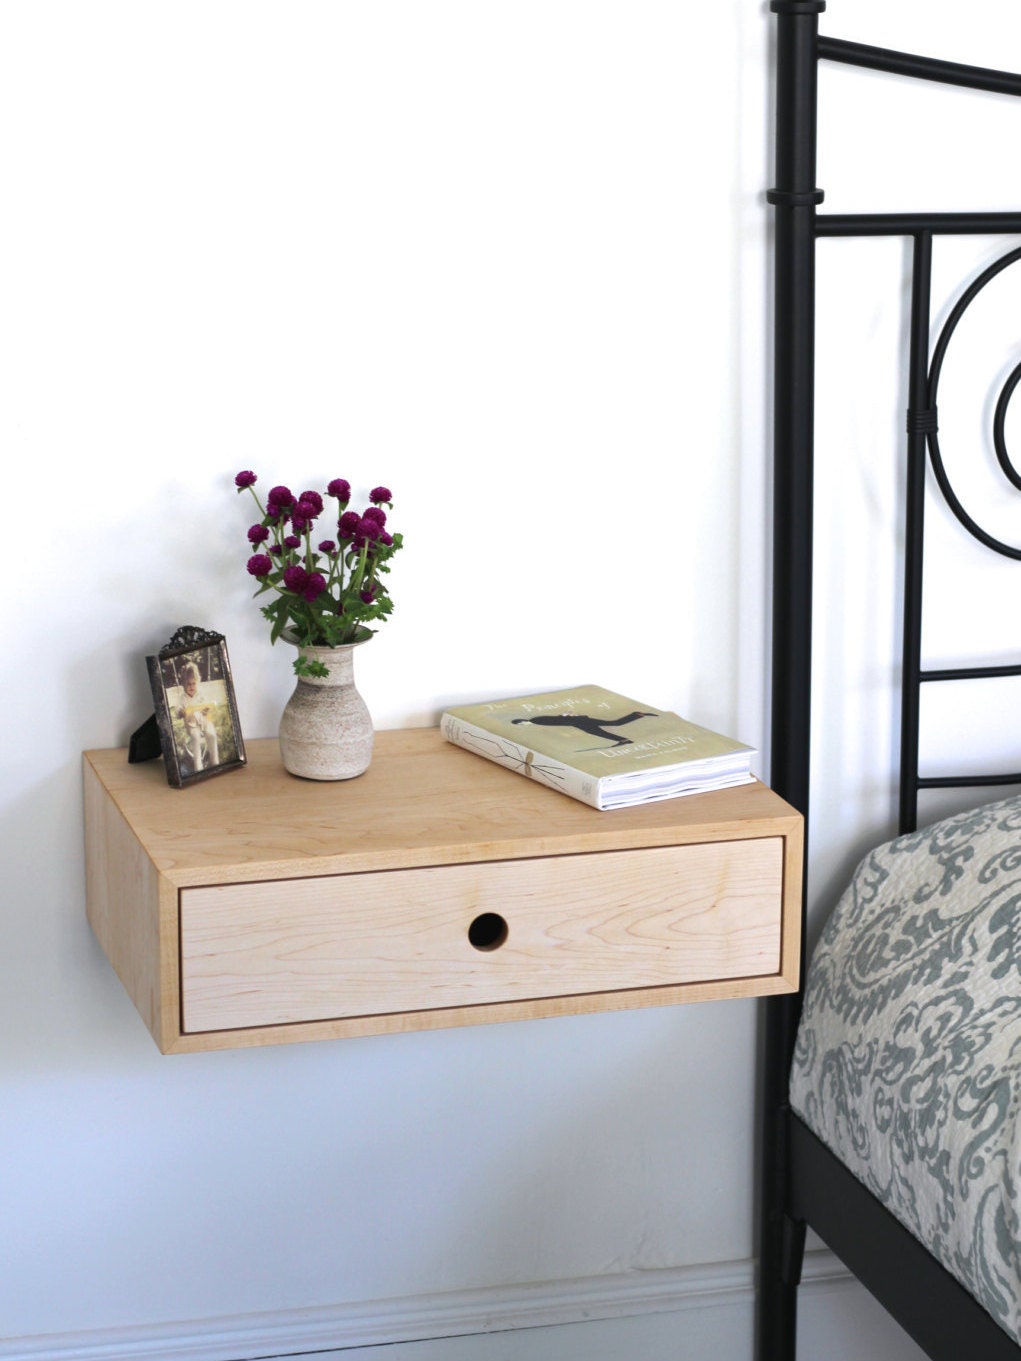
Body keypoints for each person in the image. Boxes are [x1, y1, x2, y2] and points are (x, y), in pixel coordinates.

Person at [174, 662, 220, 771]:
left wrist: (207, 709)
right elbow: (177, 711)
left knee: (212, 735)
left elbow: (211, 703)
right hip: (192, 724)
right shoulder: (182, 698)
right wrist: (181, 712)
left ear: (197, 683)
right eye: (188, 684)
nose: (191, 687)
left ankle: (215, 762)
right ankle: (198, 766)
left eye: (193, 683)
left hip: (204, 721)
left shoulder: (201, 694)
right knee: (195, 738)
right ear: (184, 684)